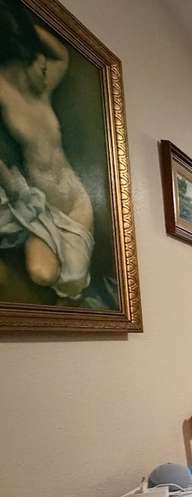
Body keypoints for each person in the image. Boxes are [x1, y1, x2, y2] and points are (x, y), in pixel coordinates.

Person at [0, 3, 94, 299]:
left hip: (75, 199)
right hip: (41, 208)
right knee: (43, 273)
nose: (47, 71)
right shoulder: (4, 91)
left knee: (73, 280)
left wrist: (27, 30)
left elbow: (61, 55)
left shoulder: (42, 87)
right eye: (40, 65)